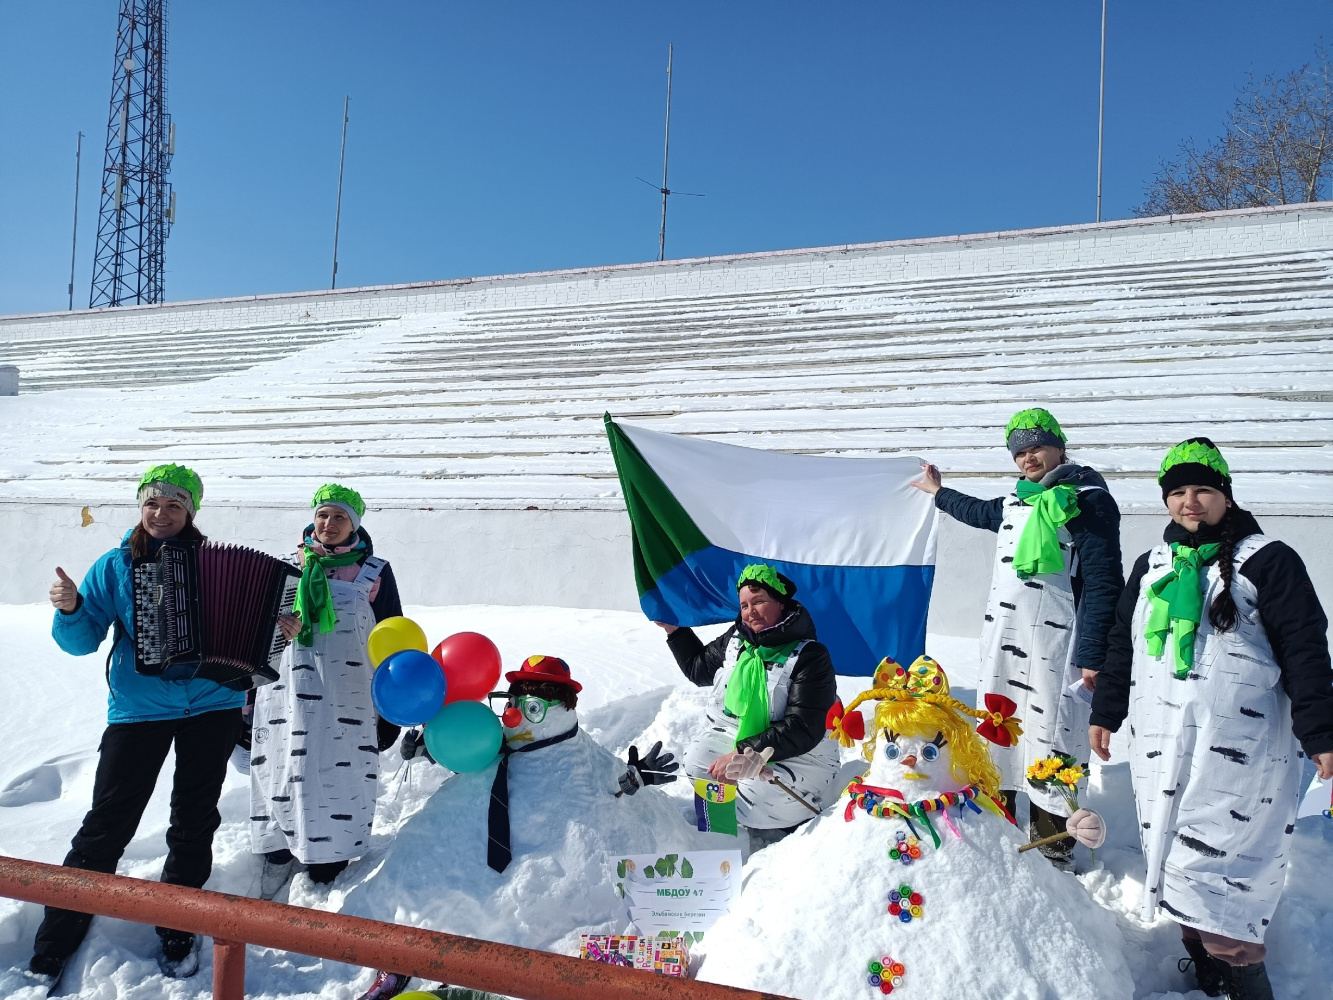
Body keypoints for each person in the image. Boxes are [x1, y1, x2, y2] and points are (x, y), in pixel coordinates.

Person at [1089, 438, 1333, 1000]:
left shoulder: (1269, 560)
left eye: (1202, 489)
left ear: (1225, 493)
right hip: (1162, 744)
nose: (1190, 502)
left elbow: (1304, 648)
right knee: (1176, 859)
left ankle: (1244, 980)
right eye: (1177, 492)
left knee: (1227, 870)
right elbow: (1120, 645)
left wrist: (1320, 732)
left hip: (1240, 750)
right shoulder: (1151, 565)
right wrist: (1108, 712)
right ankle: (1208, 973)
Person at [30, 465, 251, 983]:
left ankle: (178, 926)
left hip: (213, 705)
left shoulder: (216, 564)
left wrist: (278, 628)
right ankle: (54, 942)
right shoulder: (114, 565)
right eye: (152, 503)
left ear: (191, 511)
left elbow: (254, 633)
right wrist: (70, 610)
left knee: (194, 819)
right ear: (140, 506)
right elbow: (83, 641)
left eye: (174, 505)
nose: (161, 514)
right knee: (107, 824)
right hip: (140, 709)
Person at [356, 655, 680, 1000]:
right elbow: (471, 748)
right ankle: (421, 962)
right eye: (511, 702)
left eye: (531, 708)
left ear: (560, 709)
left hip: (549, 884)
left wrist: (636, 780)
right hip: (473, 871)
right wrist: (429, 747)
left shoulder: (581, 758)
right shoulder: (499, 743)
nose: (514, 714)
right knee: (437, 892)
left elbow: (612, 789)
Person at [911, 407, 1123, 869]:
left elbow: (1106, 580)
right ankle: (1002, 839)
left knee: (1053, 736)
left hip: (1057, 647)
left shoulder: (1088, 500)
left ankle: (1052, 851)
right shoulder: (1016, 501)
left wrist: (1093, 654)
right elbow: (978, 511)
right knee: (1000, 734)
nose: (1029, 458)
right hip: (1002, 645)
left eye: (1037, 448)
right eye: (1020, 452)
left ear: (1059, 446)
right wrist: (938, 492)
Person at [250, 484, 403, 900]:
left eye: (339, 517)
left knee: (339, 768)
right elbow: (250, 631)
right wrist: (275, 627)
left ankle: (330, 856)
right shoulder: (283, 567)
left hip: (347, 693)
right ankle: (279, 845)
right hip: (287, 690)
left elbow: (392, 636)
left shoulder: (374, 572)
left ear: (355, 524)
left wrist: (389, 707)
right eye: (323, 515)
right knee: (283, 763)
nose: (328, 524)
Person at [657, 563, 840, 832]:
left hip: (803, 757)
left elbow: (804, 727)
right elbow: (699, 669)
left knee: (753, 797)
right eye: (744, 605)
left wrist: (743, 753)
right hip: (742, 740)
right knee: (698, 762)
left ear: (780, 603)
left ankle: (796, 822)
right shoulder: (738, 641)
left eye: (759, 601)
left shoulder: (810, 656)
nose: (750, 611)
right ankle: (724, 833)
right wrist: (675, 631)